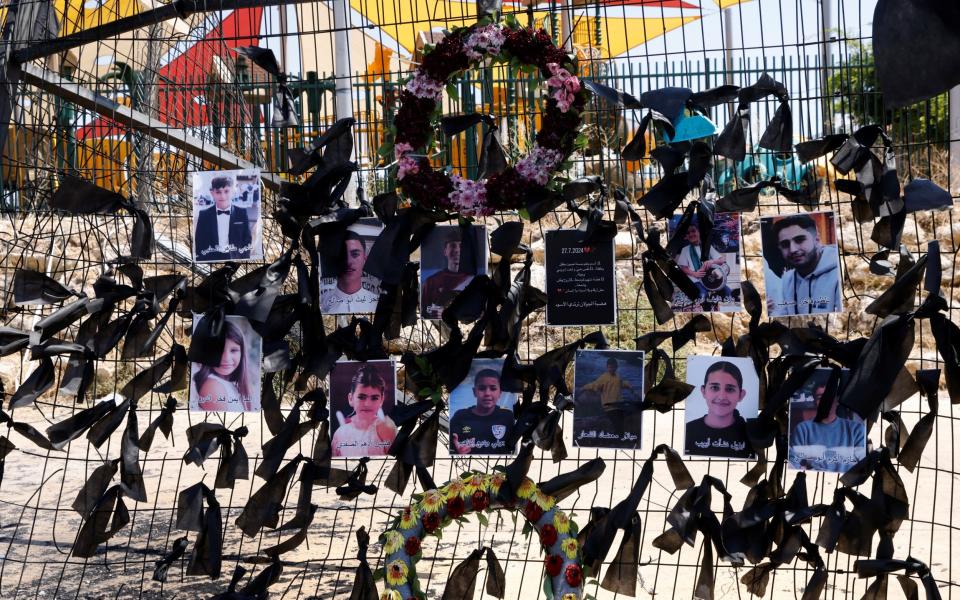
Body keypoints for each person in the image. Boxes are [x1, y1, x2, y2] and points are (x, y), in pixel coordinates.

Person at [769, 214, 842, 316]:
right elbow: (785, 315)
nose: (793, 249)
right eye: (785, 244)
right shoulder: (787, 279)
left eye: (799, 240)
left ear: (817, 240)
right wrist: (770, 312)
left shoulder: (839, 273)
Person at [790, 378, 866, 472]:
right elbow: (794, 464)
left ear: (837, 400)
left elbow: (862, 467)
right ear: (814, 401)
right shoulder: (803, 429)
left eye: (829, 397)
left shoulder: (857, 430)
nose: (825, 401)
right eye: (820, 397)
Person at [685, 361, 754, 458]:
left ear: (741, 395)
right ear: (703, 391)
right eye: (714, 387)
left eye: (730, 389)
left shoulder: (750, 434)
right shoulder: (689, 430)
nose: (722, 397)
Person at [332, 364, 397, 457]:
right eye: (361, 397)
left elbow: (394, 463)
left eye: (374, 398)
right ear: (351, 399)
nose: (367, 404)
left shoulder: (387, 428)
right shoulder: (340, 433)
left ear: (381, 400)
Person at [450, 368, 515, 454]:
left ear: (500, 392)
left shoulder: (507, 416)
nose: (487, 393)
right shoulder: (460, 416)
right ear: (474, 392)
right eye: (482, 388)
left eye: (493, 388)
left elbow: (513, 448)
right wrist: (458, 452)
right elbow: (452, 446)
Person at [193, 321, 253, 411]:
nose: (226, 358)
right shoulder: (213, 387)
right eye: (219, 350)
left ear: (242, 353)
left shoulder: (232, 384)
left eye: (233, 350)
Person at [194, 175, 253, 262]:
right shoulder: (204, 215)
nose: (223, 196)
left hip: (235, 258)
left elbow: (247, 239)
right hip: (211, 258)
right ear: (212, 193)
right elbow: (199, 241)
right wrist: (204, 261)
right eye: (218, 192)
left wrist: (242, 259)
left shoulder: (242, 213)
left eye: (226, 191)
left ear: (233, 191)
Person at [578, 357, 641, 438]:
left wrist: (630, 387)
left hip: (618, 404)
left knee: (622, 420)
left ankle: (619, 437)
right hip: (609, 406)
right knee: (617, 423)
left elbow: (622, 383)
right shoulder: (604, 377)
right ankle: (618, 438)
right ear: (607, 367)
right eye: (610, 367)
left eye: (613, 367)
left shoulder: (618, 376)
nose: (611, 369)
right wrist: (583, 387)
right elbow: (594, 384)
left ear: (616, 367)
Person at [674, 223, 731, 311]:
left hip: (712, 278)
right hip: (697, 281)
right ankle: (708, 309)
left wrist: (712, 261)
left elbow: (722, 259)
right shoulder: (685, 250)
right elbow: (683, 267)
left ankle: (716, 306)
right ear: (686, 237)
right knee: (702, 296)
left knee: (727, 292)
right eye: (688, 233)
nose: (691, 234)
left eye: (693, 231)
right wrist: (694, 273)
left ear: (699, 232)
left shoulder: (707, 247)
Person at [320, 231, 380, 313]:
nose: (348, 261)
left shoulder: (376, 303)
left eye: (355, 254)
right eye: (342, 255)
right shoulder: (322, 302)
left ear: (364, 259)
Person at [422, 229, 475, 319]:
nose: (457, 250)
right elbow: (424, 311)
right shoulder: (432, 281)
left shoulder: (473, 280)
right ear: (445, 251)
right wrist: (433, 314)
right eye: (453, 246)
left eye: (461, 246)